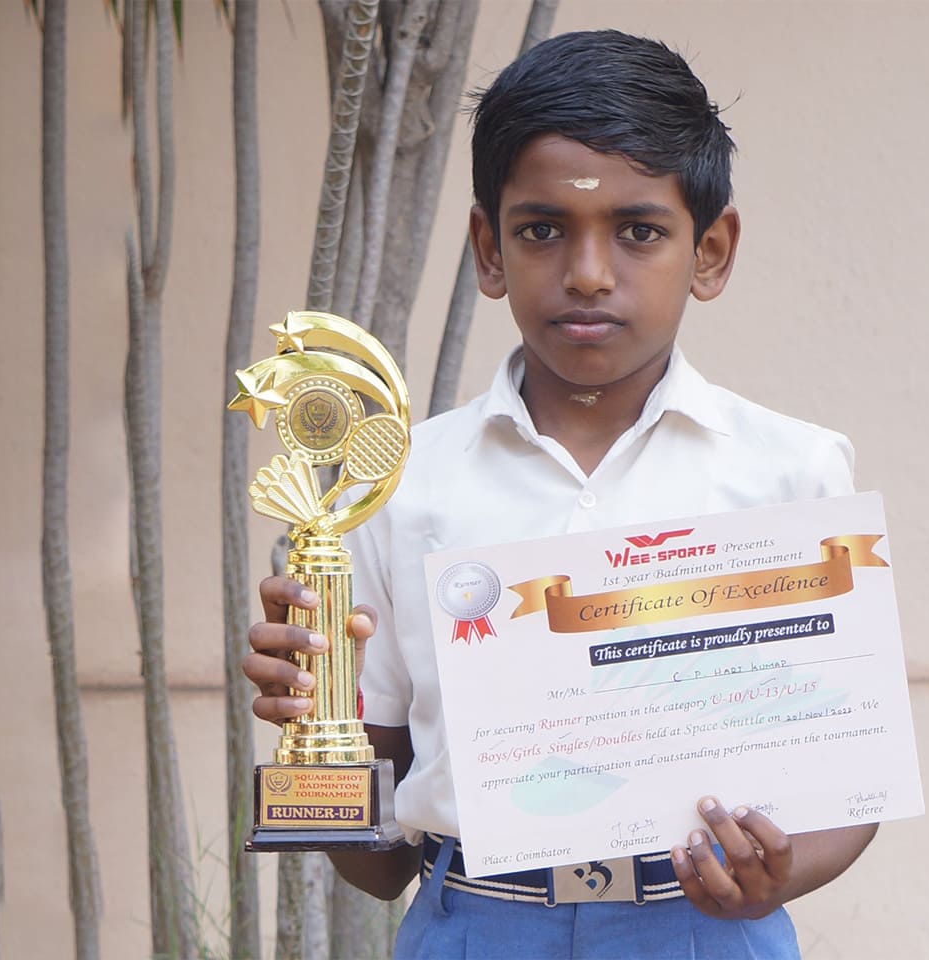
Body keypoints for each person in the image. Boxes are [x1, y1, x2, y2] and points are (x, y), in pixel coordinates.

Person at [246, 29, 878, 958]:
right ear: (488, 249)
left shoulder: (793, 473)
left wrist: (778, 876)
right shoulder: (398, 488)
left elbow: (851, 781)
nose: (587, 272)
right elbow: (378, 866)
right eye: (542, 229)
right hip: (473, 925)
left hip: (702, 931)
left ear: (710, 252)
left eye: (639, 231)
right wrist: (321, 721)